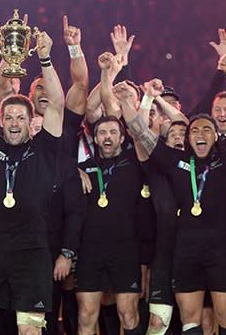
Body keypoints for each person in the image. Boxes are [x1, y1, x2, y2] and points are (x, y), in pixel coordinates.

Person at [114, 70, 226, 334]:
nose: (200, 133)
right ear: (188, 138)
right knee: (190, 322)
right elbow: (140, 133)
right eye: (195, 129)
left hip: (221, 251)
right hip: (185, 251)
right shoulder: (176, 162)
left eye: (207, 129)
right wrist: (127, 104)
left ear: (215, 136)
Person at [0, 26, 64, 335]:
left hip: (32, 252)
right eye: (9, 117)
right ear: (2, 120)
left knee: (30, 331)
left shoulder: (44, 147)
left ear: (31, 123)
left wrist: (45, 59)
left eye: (22, 117)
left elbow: (58, 103)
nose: (15, 123)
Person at [76, 116, 143, 335]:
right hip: (90, 250)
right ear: (94, 138)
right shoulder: (83, 169)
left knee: (128, 314)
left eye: (113, 132)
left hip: (125, 249)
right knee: (86, 315)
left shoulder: (134, 163)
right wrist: (74, 171)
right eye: (102, 133)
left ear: (122, 138)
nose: (108, 137)